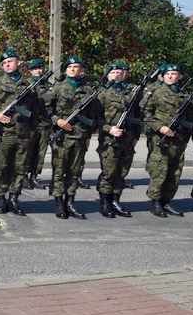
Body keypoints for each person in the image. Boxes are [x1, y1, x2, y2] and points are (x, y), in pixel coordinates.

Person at [0, 50, 37, 216]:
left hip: (23, 133)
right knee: (0, 167)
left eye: (10, 62)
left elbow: (35, 110)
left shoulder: (28, 85)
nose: (7, 65)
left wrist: (32, 130)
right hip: (3, 134)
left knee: (20, 167)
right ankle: (0, 198)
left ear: (18, 63)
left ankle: (14, 199)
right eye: (4, 63)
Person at [46, 56, 100, 220]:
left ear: (81, 70)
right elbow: (46, 110)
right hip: (62, 137)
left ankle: (70, 202)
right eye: (70, 67)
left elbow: (94, 115)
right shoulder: (58, 88)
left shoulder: (89, 91)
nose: (72, 69)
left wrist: (88, 134)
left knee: (74, 172)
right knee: (59, 172)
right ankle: (59, 203)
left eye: (76, 66)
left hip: (79, 137)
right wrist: (58, 121)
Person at [142, 63, 193, 217]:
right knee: (160, 171)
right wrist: (160, 127)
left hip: (179, 140)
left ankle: (167, 201)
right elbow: (145, 115)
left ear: (180, 77)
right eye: (167, 74)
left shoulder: (185, 96)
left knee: (174, 172)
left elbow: (191, 118)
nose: (171, 76)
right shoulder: (155, 92)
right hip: (162, 138)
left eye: (174, 74)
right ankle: (156, 203)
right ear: (163, 76)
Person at [95, 62, 137, 218]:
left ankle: (115, 200)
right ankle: (105, 202)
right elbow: (95, 118)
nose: (116, 75)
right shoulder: (102, 94)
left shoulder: (130, 94)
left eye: (119, 72)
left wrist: (136, 136)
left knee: (122, 172)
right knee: (109, 172)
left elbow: (136, 117)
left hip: (127, 139)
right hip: (109, 140)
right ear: (107, 75)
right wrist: (109, 129)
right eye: (113, 72)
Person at [24, 59, 52, 190]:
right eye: (35, 69)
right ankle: (24, 175)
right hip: (30, 124)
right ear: (30, 71)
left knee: (41, 153)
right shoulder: (26, 84)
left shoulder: (49, 86)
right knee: (27, 150)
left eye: (40, 69)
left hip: (44, 123)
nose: (38, 71)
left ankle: (34, 176)